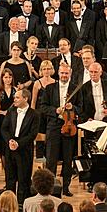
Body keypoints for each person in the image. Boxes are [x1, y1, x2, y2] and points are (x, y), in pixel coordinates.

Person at [39, 61, 78, 196]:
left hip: (69, 128)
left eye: (66, 73)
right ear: (58, 73)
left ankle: (66, 188)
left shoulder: (75, 88)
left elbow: (81, 108)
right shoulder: (49, 88)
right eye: (62, 73)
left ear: (70, 74)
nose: (64, 75)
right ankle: (50, 188)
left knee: (68, 160)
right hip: (54, 127)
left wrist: (72, 108)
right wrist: (55, 110)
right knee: (51, 159)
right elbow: (43, 107)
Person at [2, 89, 40, 199]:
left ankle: (22, 206)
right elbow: (4, 129)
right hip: (10, 148)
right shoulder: (11, 111)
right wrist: (10, 141)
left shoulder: (34, 114)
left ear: (25, 99)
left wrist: (18, 144)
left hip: (24, 150)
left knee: (24, 180)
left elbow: (32, 134)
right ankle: (10, 203)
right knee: (10, 179)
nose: (14, 99)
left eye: (17, 97)